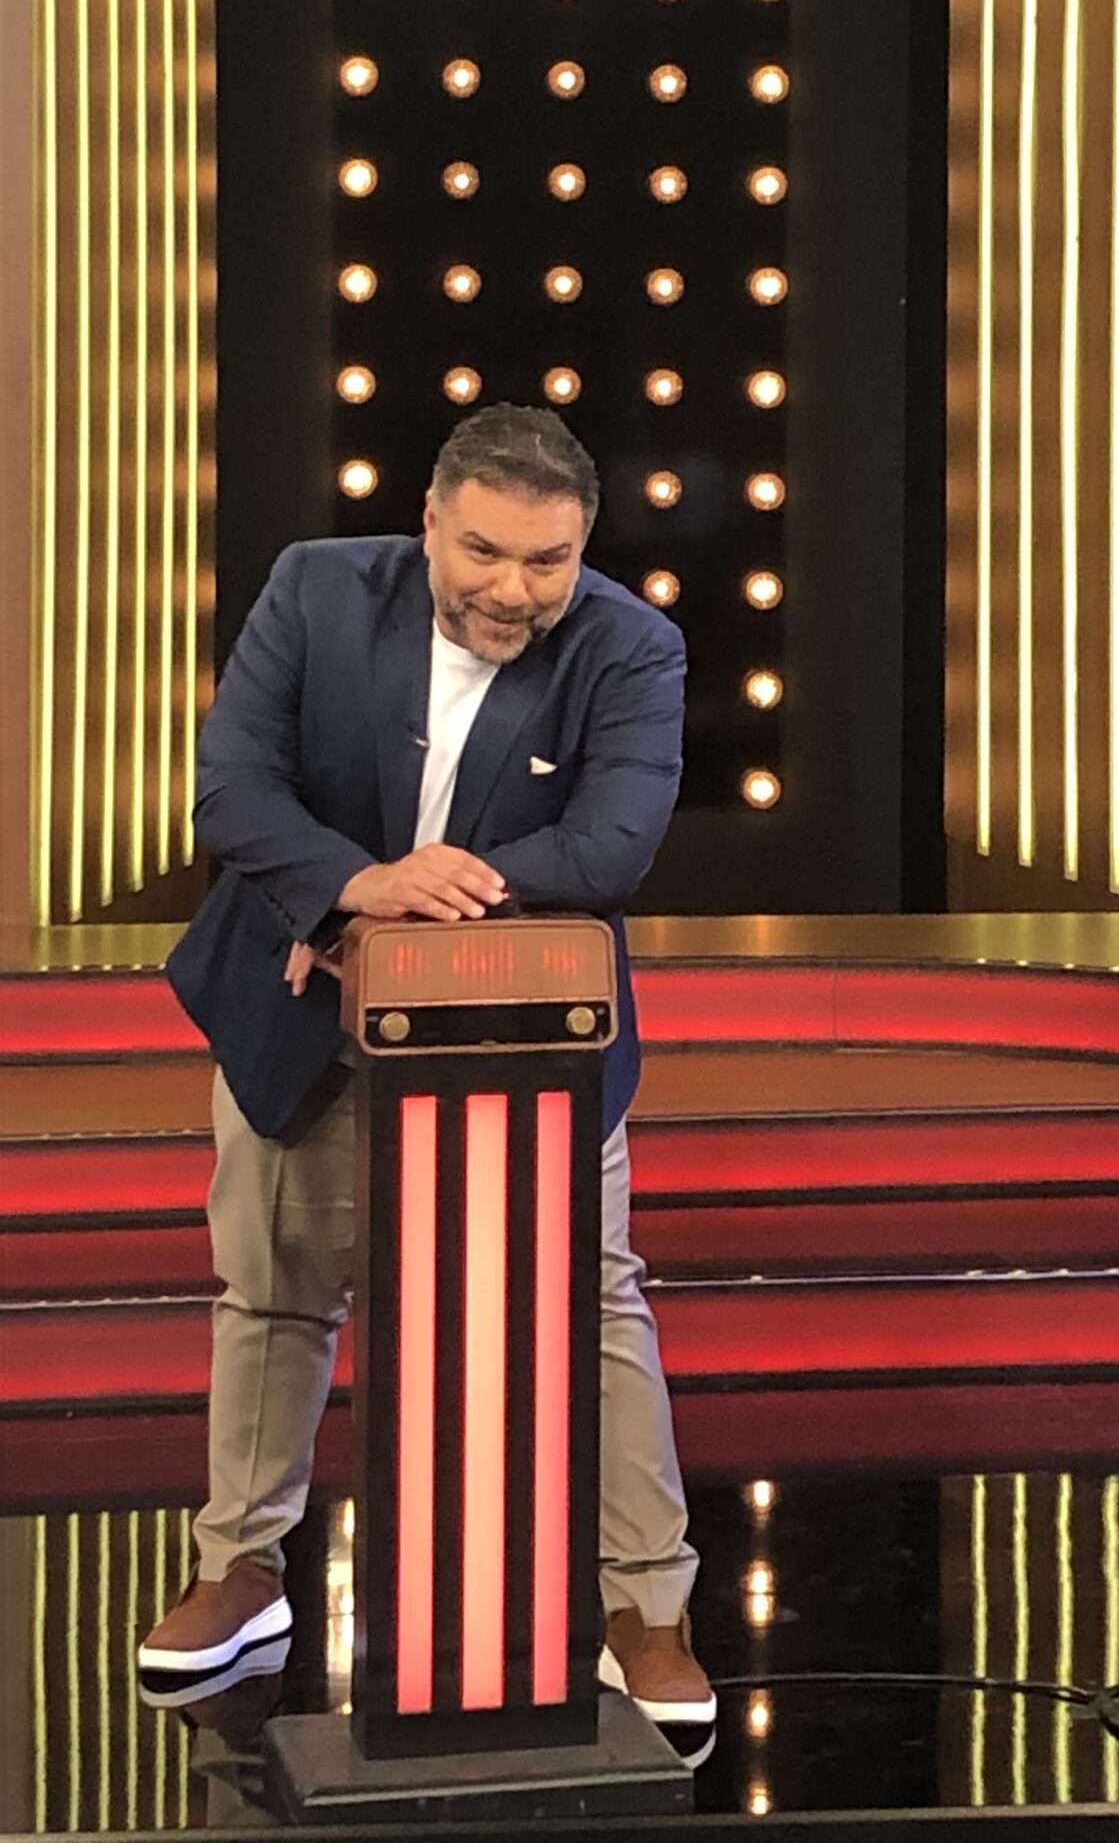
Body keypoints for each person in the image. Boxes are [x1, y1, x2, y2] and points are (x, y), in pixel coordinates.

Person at [137, 405, 714, 1748]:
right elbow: (232, 790)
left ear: (583, 548)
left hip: (527, 1027)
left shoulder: (632, 643)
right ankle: (242, 1567)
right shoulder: (316, 589)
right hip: (299, 995)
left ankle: (648, 1607)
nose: (514, 589)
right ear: (430, 522)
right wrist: (353, 885)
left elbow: (614, 843)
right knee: (273, 1287)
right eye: (485, 553)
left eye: (548, 561)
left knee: (595, 1302)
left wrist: (420, 903)